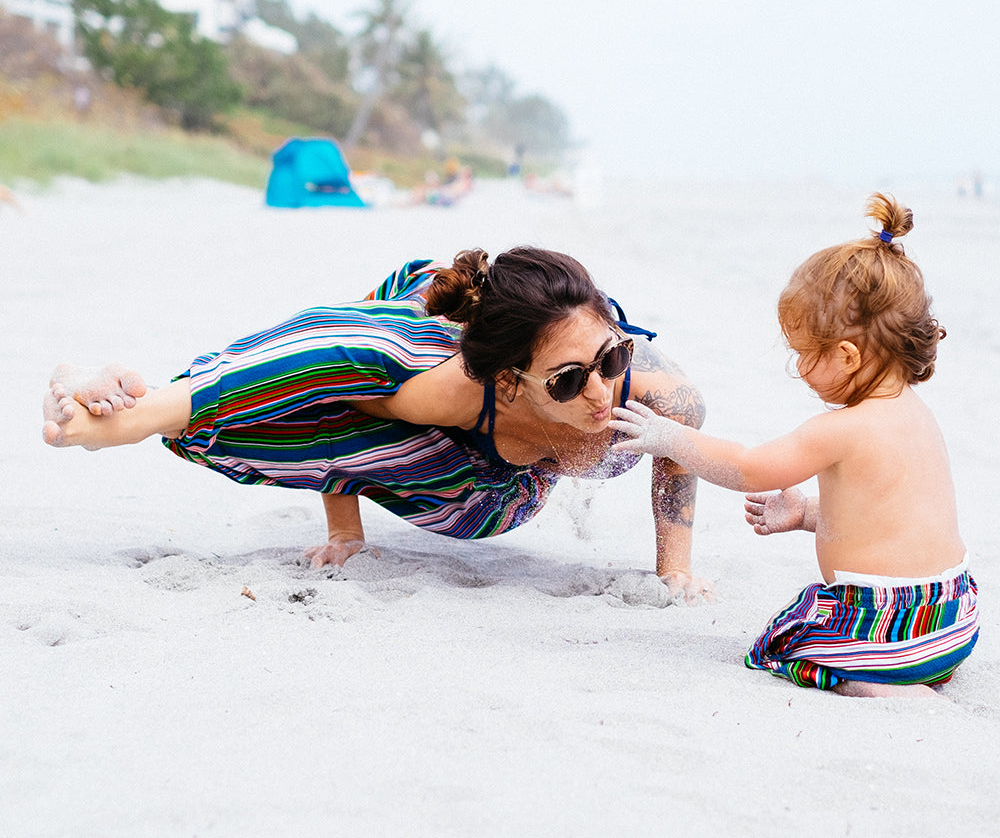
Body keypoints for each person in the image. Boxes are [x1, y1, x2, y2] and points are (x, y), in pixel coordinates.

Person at [43, 247, 715, 603]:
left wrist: (674, 570)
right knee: (359, 352)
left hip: (494, 500)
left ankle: (147, 403)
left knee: (383, 339)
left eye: (612, 356)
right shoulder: (438, 390)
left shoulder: (657, 394)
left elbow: (687, 456)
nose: (601, 390)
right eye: (569, 380)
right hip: (432, 372)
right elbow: (334, 416)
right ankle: (135, 410)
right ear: (508, 380)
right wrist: (344, 529)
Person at [610, 195, 978, 694]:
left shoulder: (839, 429)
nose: (798, 367)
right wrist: (806, 513)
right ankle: (923, 671)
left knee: (782, 642)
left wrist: (671, 437)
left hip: (887, 627)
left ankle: (874, 686)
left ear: (847, 356)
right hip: (953, 621)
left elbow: (748, 468)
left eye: (804, 353)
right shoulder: (919, 415)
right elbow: (893, 515)